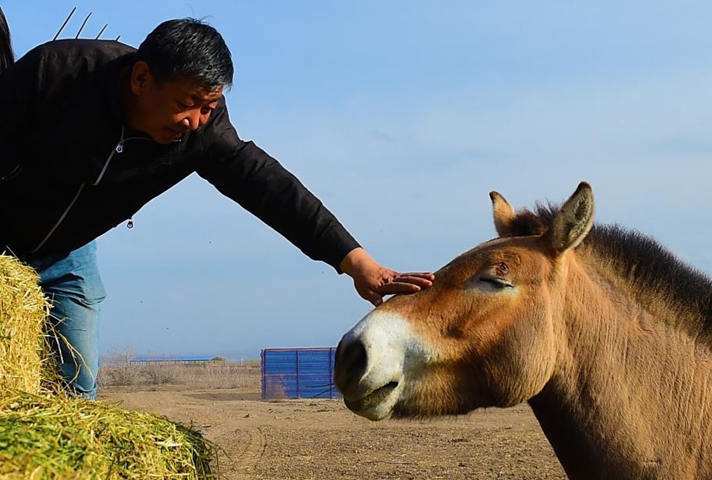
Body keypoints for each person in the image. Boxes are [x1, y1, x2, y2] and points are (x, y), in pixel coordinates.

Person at [0, 11, 434, 399]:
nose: (194, 121)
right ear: (141, 80)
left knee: (76, 392)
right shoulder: (55, 75)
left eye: (207, 107)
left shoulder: (203, 133)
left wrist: (355, 261)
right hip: (4, 242)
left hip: (69, 253)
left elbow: (270, 187)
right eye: (185, 104)